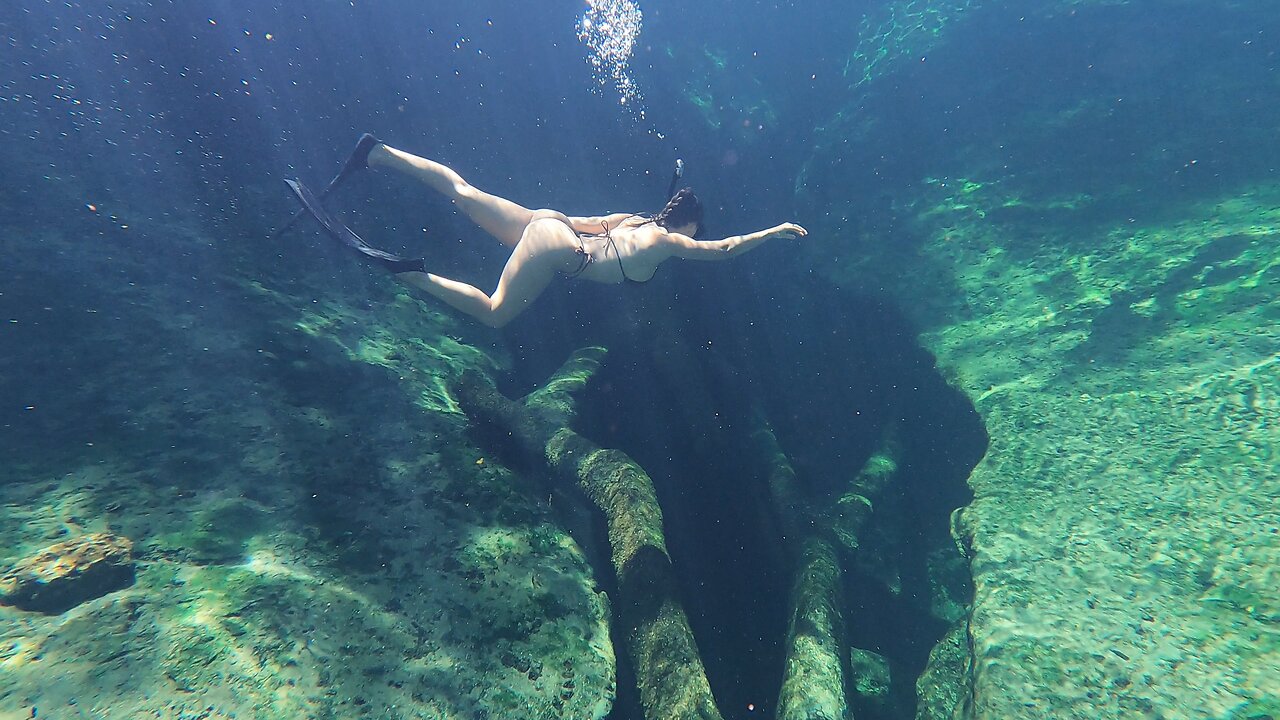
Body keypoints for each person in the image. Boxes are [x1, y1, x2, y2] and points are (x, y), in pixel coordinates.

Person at [285, 134, 809, 328]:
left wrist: (542, 227)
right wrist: (773, 231)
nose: (695, 234)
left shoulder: (635, 219)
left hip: (553, 222)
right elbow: (721, 251)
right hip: (563, 250)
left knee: (464, 193)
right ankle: (406, 275)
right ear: (687, 223)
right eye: (695, 227)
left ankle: (378, 154)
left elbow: (581, 222)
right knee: (494, 314)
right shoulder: (669, 241)